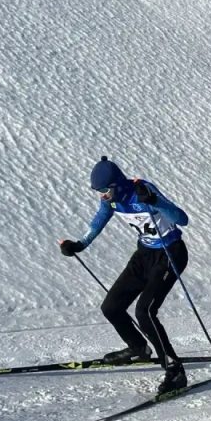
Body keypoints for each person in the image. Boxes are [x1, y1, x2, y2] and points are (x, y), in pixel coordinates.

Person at [58, 156, 190, 395]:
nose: (102, 195)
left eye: (105, 190)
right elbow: (99, 220)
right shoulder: (112, 201)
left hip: (170, 254)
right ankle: (138, 348)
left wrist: (155, 201)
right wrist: (79, 244)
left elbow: (182, 219)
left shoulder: (142, 190)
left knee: (145, 311)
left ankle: (175, 370)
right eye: (98, 191)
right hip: (144, 254)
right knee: (111, 307)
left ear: (117, 185)